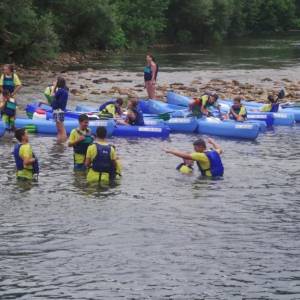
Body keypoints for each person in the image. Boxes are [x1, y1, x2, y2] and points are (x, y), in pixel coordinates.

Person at [51, 77, 68, 143]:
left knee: (61, 128)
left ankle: (62, 142)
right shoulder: (63, 91)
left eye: (56, 82)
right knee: (59, 128)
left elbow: (52, 95)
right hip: (59, 110)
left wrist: (54, 87)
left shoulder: (60, 91)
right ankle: (59, 141)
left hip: (58, 111)